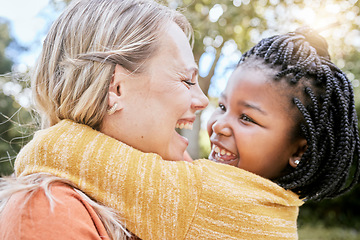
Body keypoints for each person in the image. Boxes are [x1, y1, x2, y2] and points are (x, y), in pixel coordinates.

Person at [0, 1, 305, 239]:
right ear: (115, 89)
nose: (202, 102)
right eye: (186, 81)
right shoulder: (48, 211)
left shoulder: (179, 191)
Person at [206, 27, 360, 201]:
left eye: (246, 118)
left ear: (300, 152)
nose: (218, 125)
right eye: (222, 106)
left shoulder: (193, 197)